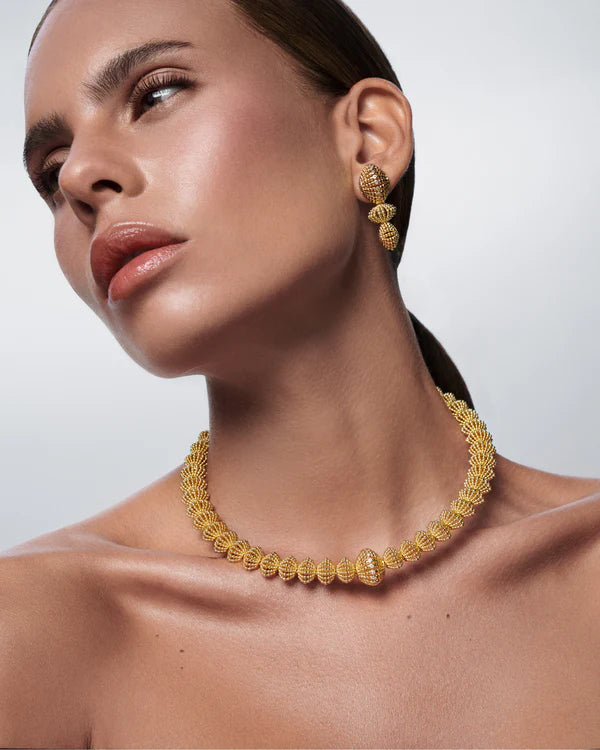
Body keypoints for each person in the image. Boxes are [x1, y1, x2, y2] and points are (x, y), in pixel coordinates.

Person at [2, 0, 599, 747]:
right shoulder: (36, 631)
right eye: (50, 171)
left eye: (156, 95)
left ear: (370, 137)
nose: (81, 177)